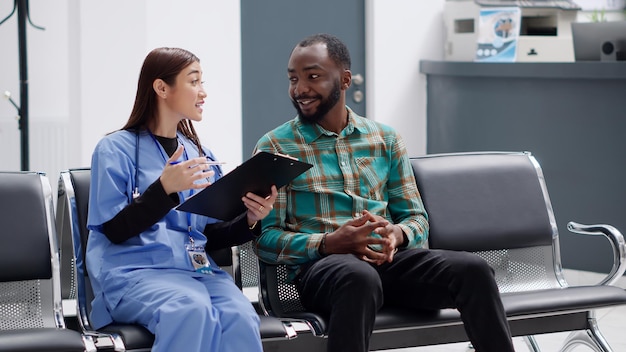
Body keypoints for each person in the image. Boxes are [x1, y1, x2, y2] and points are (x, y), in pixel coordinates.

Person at [253, 34, 515, 352]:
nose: (300, 89)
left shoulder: (385, 139)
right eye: (294, 79)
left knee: (473, 271)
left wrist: (397, 235)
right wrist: (327, 243)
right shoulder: (276, 147)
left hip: (390, 265)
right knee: (358, 277)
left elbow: (416, 218)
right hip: (325, 272)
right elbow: (266, 241)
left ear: (345, 79)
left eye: (313, 76)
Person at [86, 47, 277, 352]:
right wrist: (163, 190)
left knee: (240, 315)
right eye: (194, 81)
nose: (203, 93)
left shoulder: (199, 155)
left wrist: (251, 220)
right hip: (132, 274)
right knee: (190, 310)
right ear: (161, 88)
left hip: (196, 272)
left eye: (203, 82)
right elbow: (113, 230)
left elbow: (209, 235)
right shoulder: (114, 150)